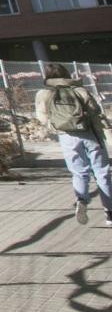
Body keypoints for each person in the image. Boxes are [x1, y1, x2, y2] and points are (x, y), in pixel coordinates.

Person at [35, 63, 112, 226]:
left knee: (79, 172)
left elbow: (42, 117)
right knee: (102, 172)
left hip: (66, 137)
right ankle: (109, 212)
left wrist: (55, 127)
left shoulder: (44, 93)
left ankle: (81, 200)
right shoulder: (80, 90)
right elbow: (95, 111)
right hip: (89, 134)